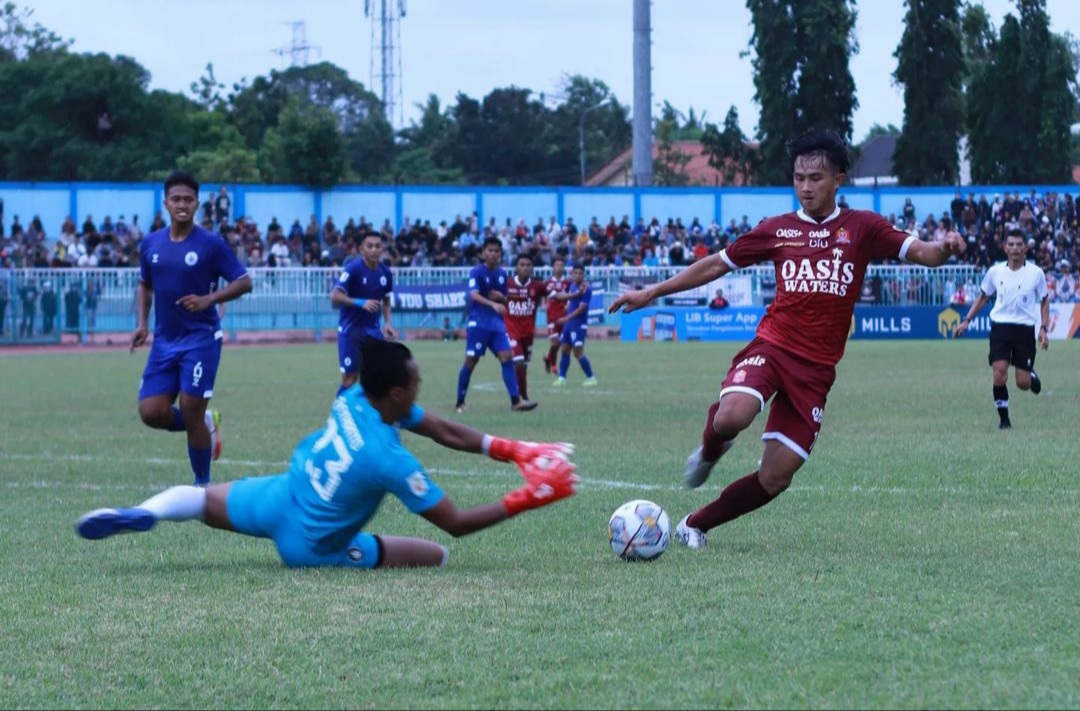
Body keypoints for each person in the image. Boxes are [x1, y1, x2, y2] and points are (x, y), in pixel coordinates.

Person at [609, 128, 966, 549]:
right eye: (798, 177)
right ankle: (708, 452)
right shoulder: (777, 228)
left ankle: (695, 524)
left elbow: (924, 254)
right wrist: (652, 292)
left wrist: (945, 248)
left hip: (815, 371)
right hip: (773, 347)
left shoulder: (864, 227)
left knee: (776, 477)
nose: (806, 186)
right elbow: (716, 265)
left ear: (839, 179)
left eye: (816, 178)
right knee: (731, 417)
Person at [74, 340, 578, 570]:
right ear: (399, 394)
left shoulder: (357, 398)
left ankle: (146, 511)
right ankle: (353, 550)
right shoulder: (390, 458)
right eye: (417, 381)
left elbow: (444, 430)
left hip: (282, 494)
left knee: (198, 498)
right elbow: (456, 523)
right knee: (437, 556)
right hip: (310, 548)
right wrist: (529, 497)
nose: (421, 386)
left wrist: (515, 448)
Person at [131, 171, 253, 487]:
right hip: (165, 341)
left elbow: (244, 282)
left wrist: (208, 299)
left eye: (188, 199)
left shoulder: (211, 244)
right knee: (151, 412)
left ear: (197, 203)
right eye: (176, 199)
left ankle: (202, 486)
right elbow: (145, 286)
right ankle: (207, 423)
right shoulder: (151, 243)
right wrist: (142, 324)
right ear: (166, 203)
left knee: (190, 407)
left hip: (201, 340)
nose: (182, 205)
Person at [953, 229, 1048, 429]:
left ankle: (1029, 376)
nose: (1014, 248)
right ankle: (1004, 420)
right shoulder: (995, 271)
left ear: (1026, 248)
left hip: (1024, 329)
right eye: (1011, 244)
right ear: (1005, 247)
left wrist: (1043, 329)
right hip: (1000, 327)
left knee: (1021, 383)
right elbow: (983, 296)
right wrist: (966, 320)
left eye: (1018, 244)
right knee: (999, 372)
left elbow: (1044, 300)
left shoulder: (1036, 273)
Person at [455, 237, 538, 413]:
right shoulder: (476, 272)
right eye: (490, 250)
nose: (493, 254)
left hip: (497, 324)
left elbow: (505, 298)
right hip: (478, 323)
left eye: (496, 251)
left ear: (500, 254)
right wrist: (493, 304)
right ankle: (460, 402)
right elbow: (474, 295)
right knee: (471, 361)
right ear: (484, 252)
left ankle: (516, 402)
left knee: (507, 357)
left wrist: (502, 299)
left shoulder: (502, 274)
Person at [328, 231, 395, 395]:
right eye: (369, 246)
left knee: (379, 378)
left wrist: (387, 323)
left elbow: (386, 300)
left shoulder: (385, 273)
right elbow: (334, 296)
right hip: (351, 331)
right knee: (349, 380)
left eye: (377, 246)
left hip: (373, 332)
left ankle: (369, 417)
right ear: (361, 249)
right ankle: (339, 417)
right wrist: (360, 302)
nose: (374, 250)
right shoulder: (353, 269)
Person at [503, 254, 549, 402]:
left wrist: (576, 294)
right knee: (519, 362)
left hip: (528, 333)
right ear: (516, 267)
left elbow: (555, 295)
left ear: (532, 268)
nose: (525, 267)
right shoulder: (507, 284)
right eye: (522, 264)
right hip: (511, 331)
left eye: (528, 265)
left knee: (524, 365)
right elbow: (493, 295)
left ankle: (521, 393)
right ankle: (520, 397)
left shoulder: (537, 286)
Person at [552, 262, 598, 387]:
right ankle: (562, 378)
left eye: (580, 273)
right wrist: (566, 309)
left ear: (584, 274)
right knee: (565, 350)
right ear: (572, 274)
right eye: (575, 273)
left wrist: (566, 318)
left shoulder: (586, 288)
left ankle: (591, 378)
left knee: (578, 352)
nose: (577, 275)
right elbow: (570, 303)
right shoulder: (572, 286)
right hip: (569, 324)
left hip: (579, 324)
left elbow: (582, 308)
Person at [542, 256, 571, 375]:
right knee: (556, 342)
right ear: (553, 267)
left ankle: (549, 359)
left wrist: (569, 305)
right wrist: (543, 304)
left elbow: (571, 295)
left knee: (563, 344)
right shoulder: (547, 282)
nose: (559, 267)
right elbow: (542, 295)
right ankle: (553, 365)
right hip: (551, 317)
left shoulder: (568, 283)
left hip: (564, 317)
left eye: (561, 265)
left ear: (564, 267)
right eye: (557, 265)